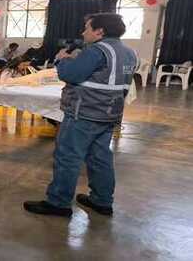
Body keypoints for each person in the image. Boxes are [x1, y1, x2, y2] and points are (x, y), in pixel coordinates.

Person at [24, 13, 138, 217]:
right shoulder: (129, 52)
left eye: (87, 28)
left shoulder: (96, 51)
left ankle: (58, 203)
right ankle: (102, 201)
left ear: (99, 31)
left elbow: (71, 75)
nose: (83, 32)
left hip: (84, 113)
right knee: (100, 157)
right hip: (109, 113)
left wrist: (62, 61)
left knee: (68, 157)